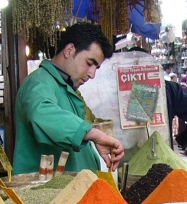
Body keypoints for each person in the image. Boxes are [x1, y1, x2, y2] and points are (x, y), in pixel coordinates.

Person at [14, 22, 124, 174]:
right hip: (50, 194)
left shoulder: (66, 88)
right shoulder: (39, 82)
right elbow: (40, 113)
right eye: (89, 63)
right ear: (69, 50)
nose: (92, 74)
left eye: (96, 68)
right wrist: (95, 135)